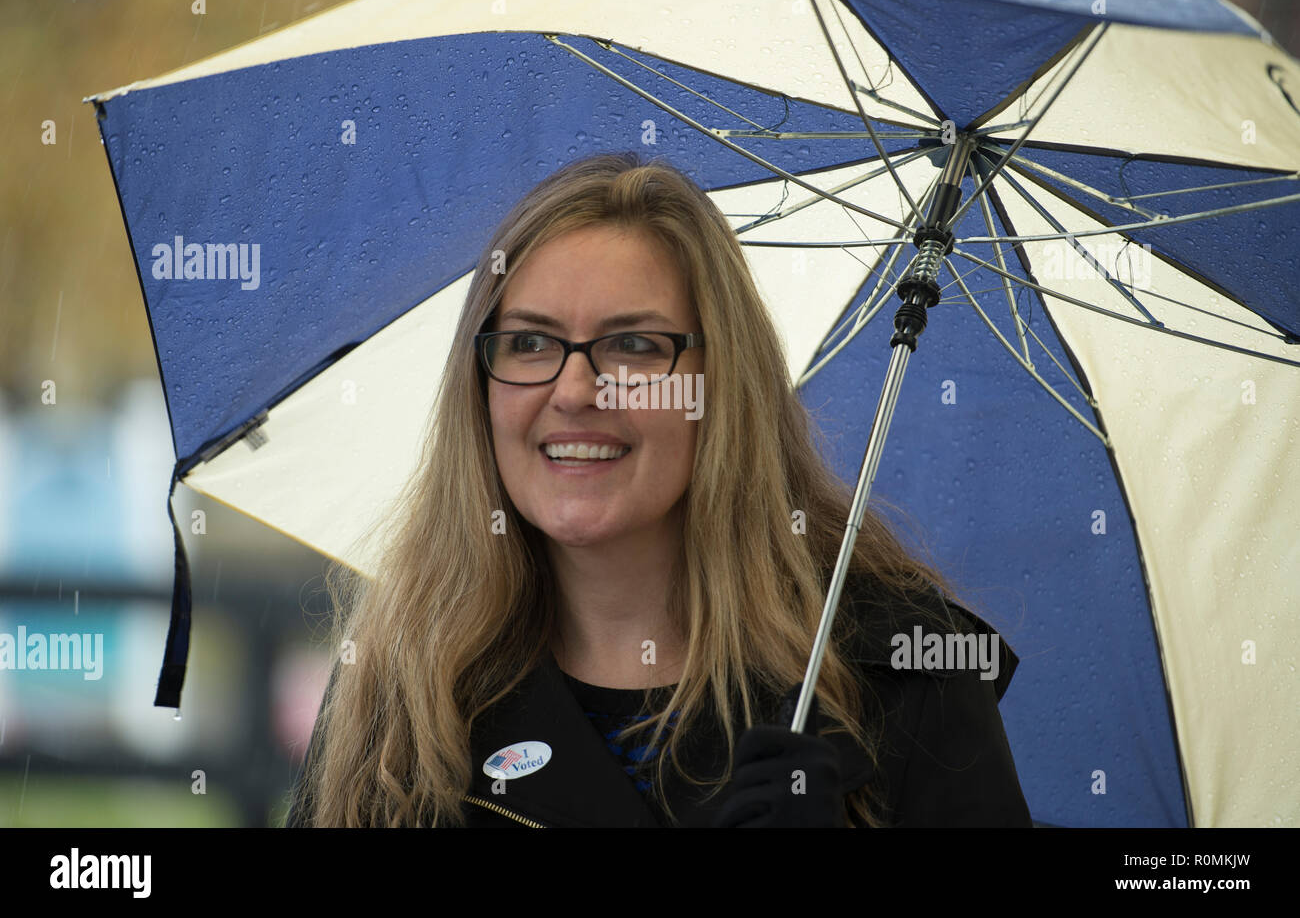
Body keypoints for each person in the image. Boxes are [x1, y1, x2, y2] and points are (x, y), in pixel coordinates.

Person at [284, 151, 1032, 828]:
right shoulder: (402, 687)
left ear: (721, 385)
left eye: (634, 345)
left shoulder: (900, 673)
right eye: (530, 342)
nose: (574, 389)